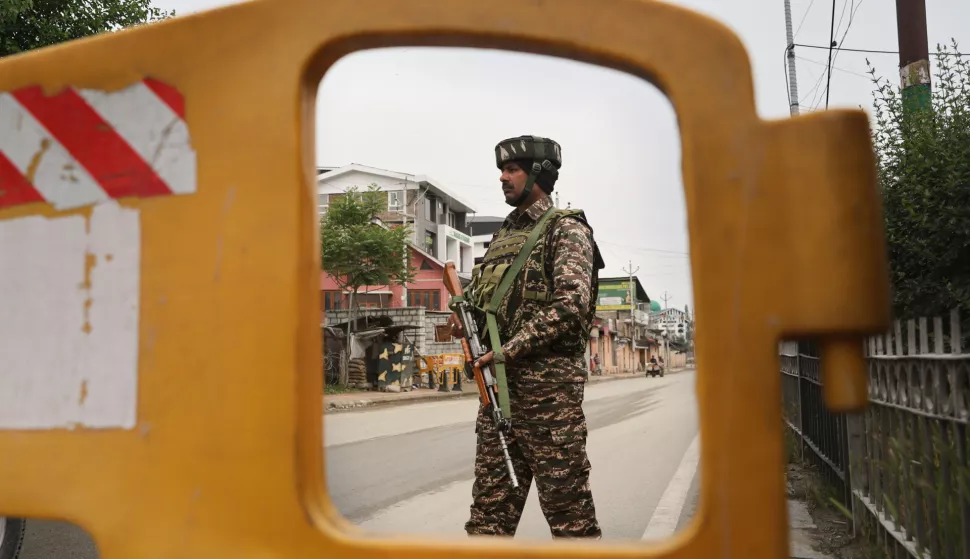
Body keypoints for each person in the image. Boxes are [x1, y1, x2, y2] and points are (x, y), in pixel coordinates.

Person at [448, 135, 605, 539]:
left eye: (512, 169)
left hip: (550, 401)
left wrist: (505, 352)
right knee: (487, 518)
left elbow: (570, 306)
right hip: (498, 399)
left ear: (539, 173)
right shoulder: (502, 238)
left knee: (570, 518)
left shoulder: (566, 230)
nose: (502, 177)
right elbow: (489, 306)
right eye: (502, 170)